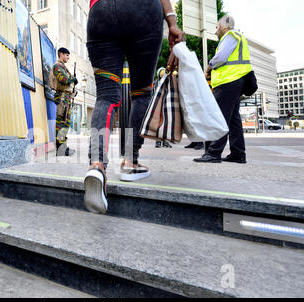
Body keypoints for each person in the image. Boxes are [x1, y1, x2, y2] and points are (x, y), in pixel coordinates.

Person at [83, 0, 185, 214]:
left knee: (106, 96)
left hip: (101, 14)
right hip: (142, 11)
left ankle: (97, 165)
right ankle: (130, 160)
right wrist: (172, 23)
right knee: (141, 92)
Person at [194, 15, 251, 164]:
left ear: (224, 26)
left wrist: (208, 67)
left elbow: (221, 58)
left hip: (228, 82)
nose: (215, 31)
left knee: (218, 117)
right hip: (235, 81)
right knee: (233, 120)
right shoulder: (237, 37)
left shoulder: (230, 36)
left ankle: (213, 153)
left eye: (217, 27)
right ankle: (238, 154)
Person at [51, 48, 78, 156]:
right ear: (60, 54)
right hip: (62, 98)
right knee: (62, 123)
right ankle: (61, 149)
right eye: (66, 55)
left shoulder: (63, 67)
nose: (68, 57)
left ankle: (62, 147)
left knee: (65, 123)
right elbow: (63, 79)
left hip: (66, 97)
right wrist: (72, 79)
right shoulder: (57, 66)